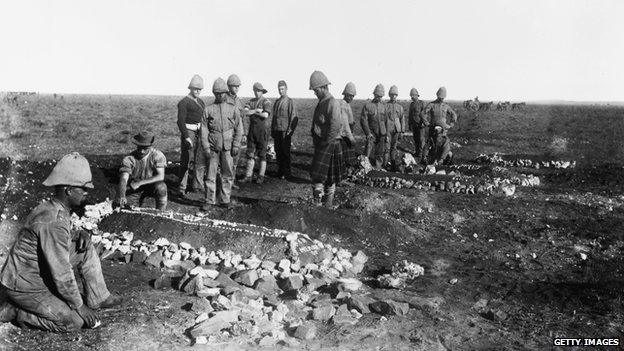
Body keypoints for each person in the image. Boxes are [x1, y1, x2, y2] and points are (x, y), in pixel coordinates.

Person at [0, 153, 122, 332]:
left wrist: (77, 234)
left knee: (84, 246)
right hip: (24, 284)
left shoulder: (54, 208)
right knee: (73, 322)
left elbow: (53, 241)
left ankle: (99, 297)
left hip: (36, 270)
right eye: (83, 189)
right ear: (68, 190)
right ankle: (16, 311)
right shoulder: (53, 221)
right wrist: (79, 306)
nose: (87, 193)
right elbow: (61, 272)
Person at [199, 78, 244, 210]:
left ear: (226, 92)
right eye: (217, 93)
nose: (220, 96)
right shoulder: (208, 110)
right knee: (210, 175)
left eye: (222, 93)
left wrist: (236, 145)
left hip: (228, 148)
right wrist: (206, 146)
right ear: (214, 94)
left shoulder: (233, 109)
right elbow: (204, 129)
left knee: (228, 174)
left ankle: (225, 200)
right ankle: (209, 200)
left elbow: (239, 128)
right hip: (213, 147)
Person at [309, 71, 344, 208]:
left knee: (329, 179)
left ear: (323, 87)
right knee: (318, 178)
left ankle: (327, 207)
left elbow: (335, 125)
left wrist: (325, 143)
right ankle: (318, 206)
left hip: (330, 144)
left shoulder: (332, 103)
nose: (314, 93)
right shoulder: (322, 102)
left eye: (316, 90)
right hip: (323, 144)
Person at [116, 131, 168, 210]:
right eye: (139, 148)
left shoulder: (157, 155)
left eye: (145, 148)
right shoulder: (129, 159)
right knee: (129, 208)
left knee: (162, 188)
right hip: (135, 187)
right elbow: (123, 179)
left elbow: (160, 176)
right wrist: (121, 195)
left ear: (150, 147)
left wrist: (140, 183)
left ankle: (161, 212)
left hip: (152, 184)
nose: (141, 151)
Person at [176, 75, 205, 195]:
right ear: (190, 88)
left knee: (199, 159)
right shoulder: (184, 103)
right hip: (189, 133)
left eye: (200, 89)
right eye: (195, 88)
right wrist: (187, 137)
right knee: (186, 160)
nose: (198, 91)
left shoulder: (201, 102)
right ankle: (182, 187)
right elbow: (180, 121)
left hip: (200, 132)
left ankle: (197, 185)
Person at [241, 82, 272, 184]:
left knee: (262, 154)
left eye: (259, 91)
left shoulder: (266, 101)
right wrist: (256, 111)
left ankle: (261, 176)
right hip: (252, 130)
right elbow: (245, 112)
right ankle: (248, 176)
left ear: (262, 91)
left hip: (263, 131)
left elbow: (266, 115)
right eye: (256, 91)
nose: (257, 93)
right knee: (250, 153)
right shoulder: (251, 101)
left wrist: (254, 112)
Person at [422, 87, 458, 164]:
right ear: (437, 95)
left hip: (443, 130)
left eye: (442, 97)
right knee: (431, 143)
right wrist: (427, 123)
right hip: (432, 129)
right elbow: (423, 113)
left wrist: (451, 124)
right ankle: (428, 159)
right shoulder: (431, 105)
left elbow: (453, 114)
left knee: (444, 144)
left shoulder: (446, 106)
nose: (441, 99)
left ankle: (442, 160)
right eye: (440, 97)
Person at [271, 80, 298, 179]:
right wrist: (272, 130)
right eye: (279, 89)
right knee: (278, 151)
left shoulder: (289, 102)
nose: (280, 91)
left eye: (282, 89)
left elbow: (294, 117)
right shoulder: (277, 102)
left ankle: (287, 172)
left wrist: (290, 131)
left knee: (285, 152)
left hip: (285, 131)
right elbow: (274, 117)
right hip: (277, 130)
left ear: (286, 89)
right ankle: (280, 170)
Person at [360, 84, 388, 170]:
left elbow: (386, 121)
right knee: (368, 150)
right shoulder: (367, 106)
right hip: (371, 132)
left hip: (382, 132)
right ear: (374, 94)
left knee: (380, 152)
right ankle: (364, 167)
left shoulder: (384, 107)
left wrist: (386, 134)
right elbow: (363, 120)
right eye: (377, 96)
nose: (379, 98)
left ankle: (377, 168)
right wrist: (368, 133)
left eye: (381, 96)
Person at [226, 74, 244, 188]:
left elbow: (242, 118)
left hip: (237, 133)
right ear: (229, 86)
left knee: (235, 158)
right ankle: (225, 182)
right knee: (226, 159)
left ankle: (231, 181)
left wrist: (244, 133)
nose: (236, 88)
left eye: (238, 86)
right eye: (234, 86)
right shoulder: (224, 99)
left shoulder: (238, 100)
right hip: (227, 133)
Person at [385, 85, 406, 170]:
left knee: (394, 147)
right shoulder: (385, 106)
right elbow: (383, 119)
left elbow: (402, 119)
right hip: (388, 129)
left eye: (395, 95)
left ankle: (393, 164)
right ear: (389, 95)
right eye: (392, 94)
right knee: (387, 147)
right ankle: (385, 164)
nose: (393, 96)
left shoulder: (399, 107)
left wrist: (402, 131)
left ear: (397, 96)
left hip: (397, 130)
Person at [339, 82, 357, 171]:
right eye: (349, 95)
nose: (351, 98)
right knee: (345, 157)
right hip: (343, 135)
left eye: (352, 96)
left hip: (346, 133)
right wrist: (351, 137)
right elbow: (345, 124)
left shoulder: (347, 104)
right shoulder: (343, 105)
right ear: (345, 94)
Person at [407, 88, 427, 163]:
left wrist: (423, 122)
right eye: (411, 95)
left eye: (413, 95)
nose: (412, 97)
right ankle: (417, 152)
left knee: (421, 140)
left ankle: (421, 154)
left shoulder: (422, 103)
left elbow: (424, 114)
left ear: (417, 95)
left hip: (420, 124)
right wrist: (409, 124)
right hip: (414, 124)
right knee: (416, 139)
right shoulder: (411, 104)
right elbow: (410, 115)